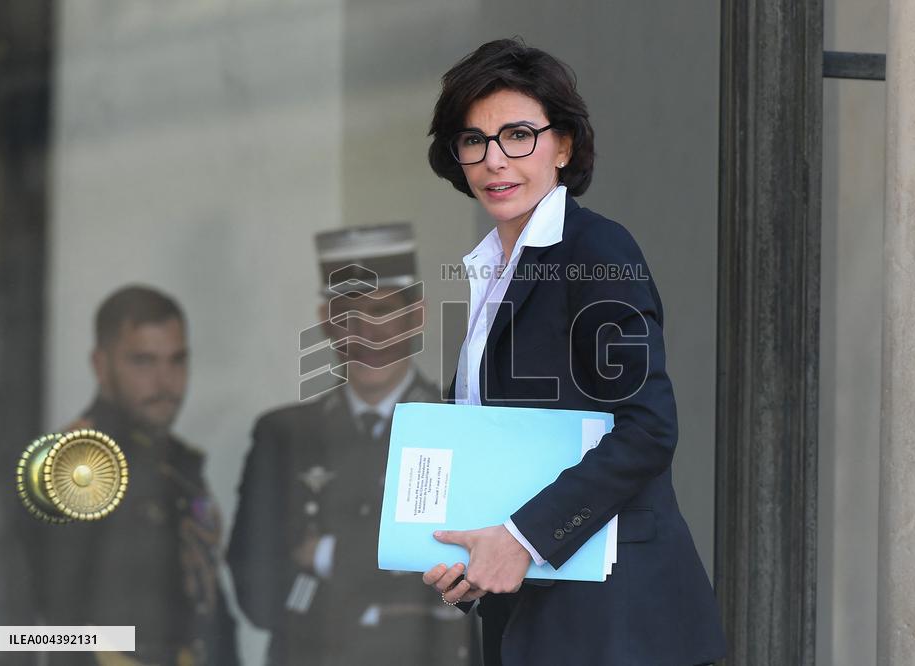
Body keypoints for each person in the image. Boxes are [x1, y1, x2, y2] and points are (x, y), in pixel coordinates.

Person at [421, 38, 727, 665]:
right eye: (474, 140)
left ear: (563, 146)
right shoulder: (492, 271)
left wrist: (521, 539)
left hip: (617, 618)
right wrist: (474, 551)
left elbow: (647, 428)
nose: (494, 160)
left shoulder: (597, 250)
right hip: (533, 611)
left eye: (518, 135)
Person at [227, 223, 476, 666]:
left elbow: (475, 580)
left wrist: (326, 555)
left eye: (383, 311)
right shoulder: (283, 435)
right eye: (349, 315)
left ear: (416, 316)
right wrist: (401, 567)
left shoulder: (460, 428)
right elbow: (257, 592)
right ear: (327, 321)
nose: (367, 332)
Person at [33, 285, 239, 666]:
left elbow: (207, 600)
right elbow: (45, 621)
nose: (165, 382)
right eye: (143, 362)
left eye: (177, 361)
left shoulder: (179, 464)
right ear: (101, 365)